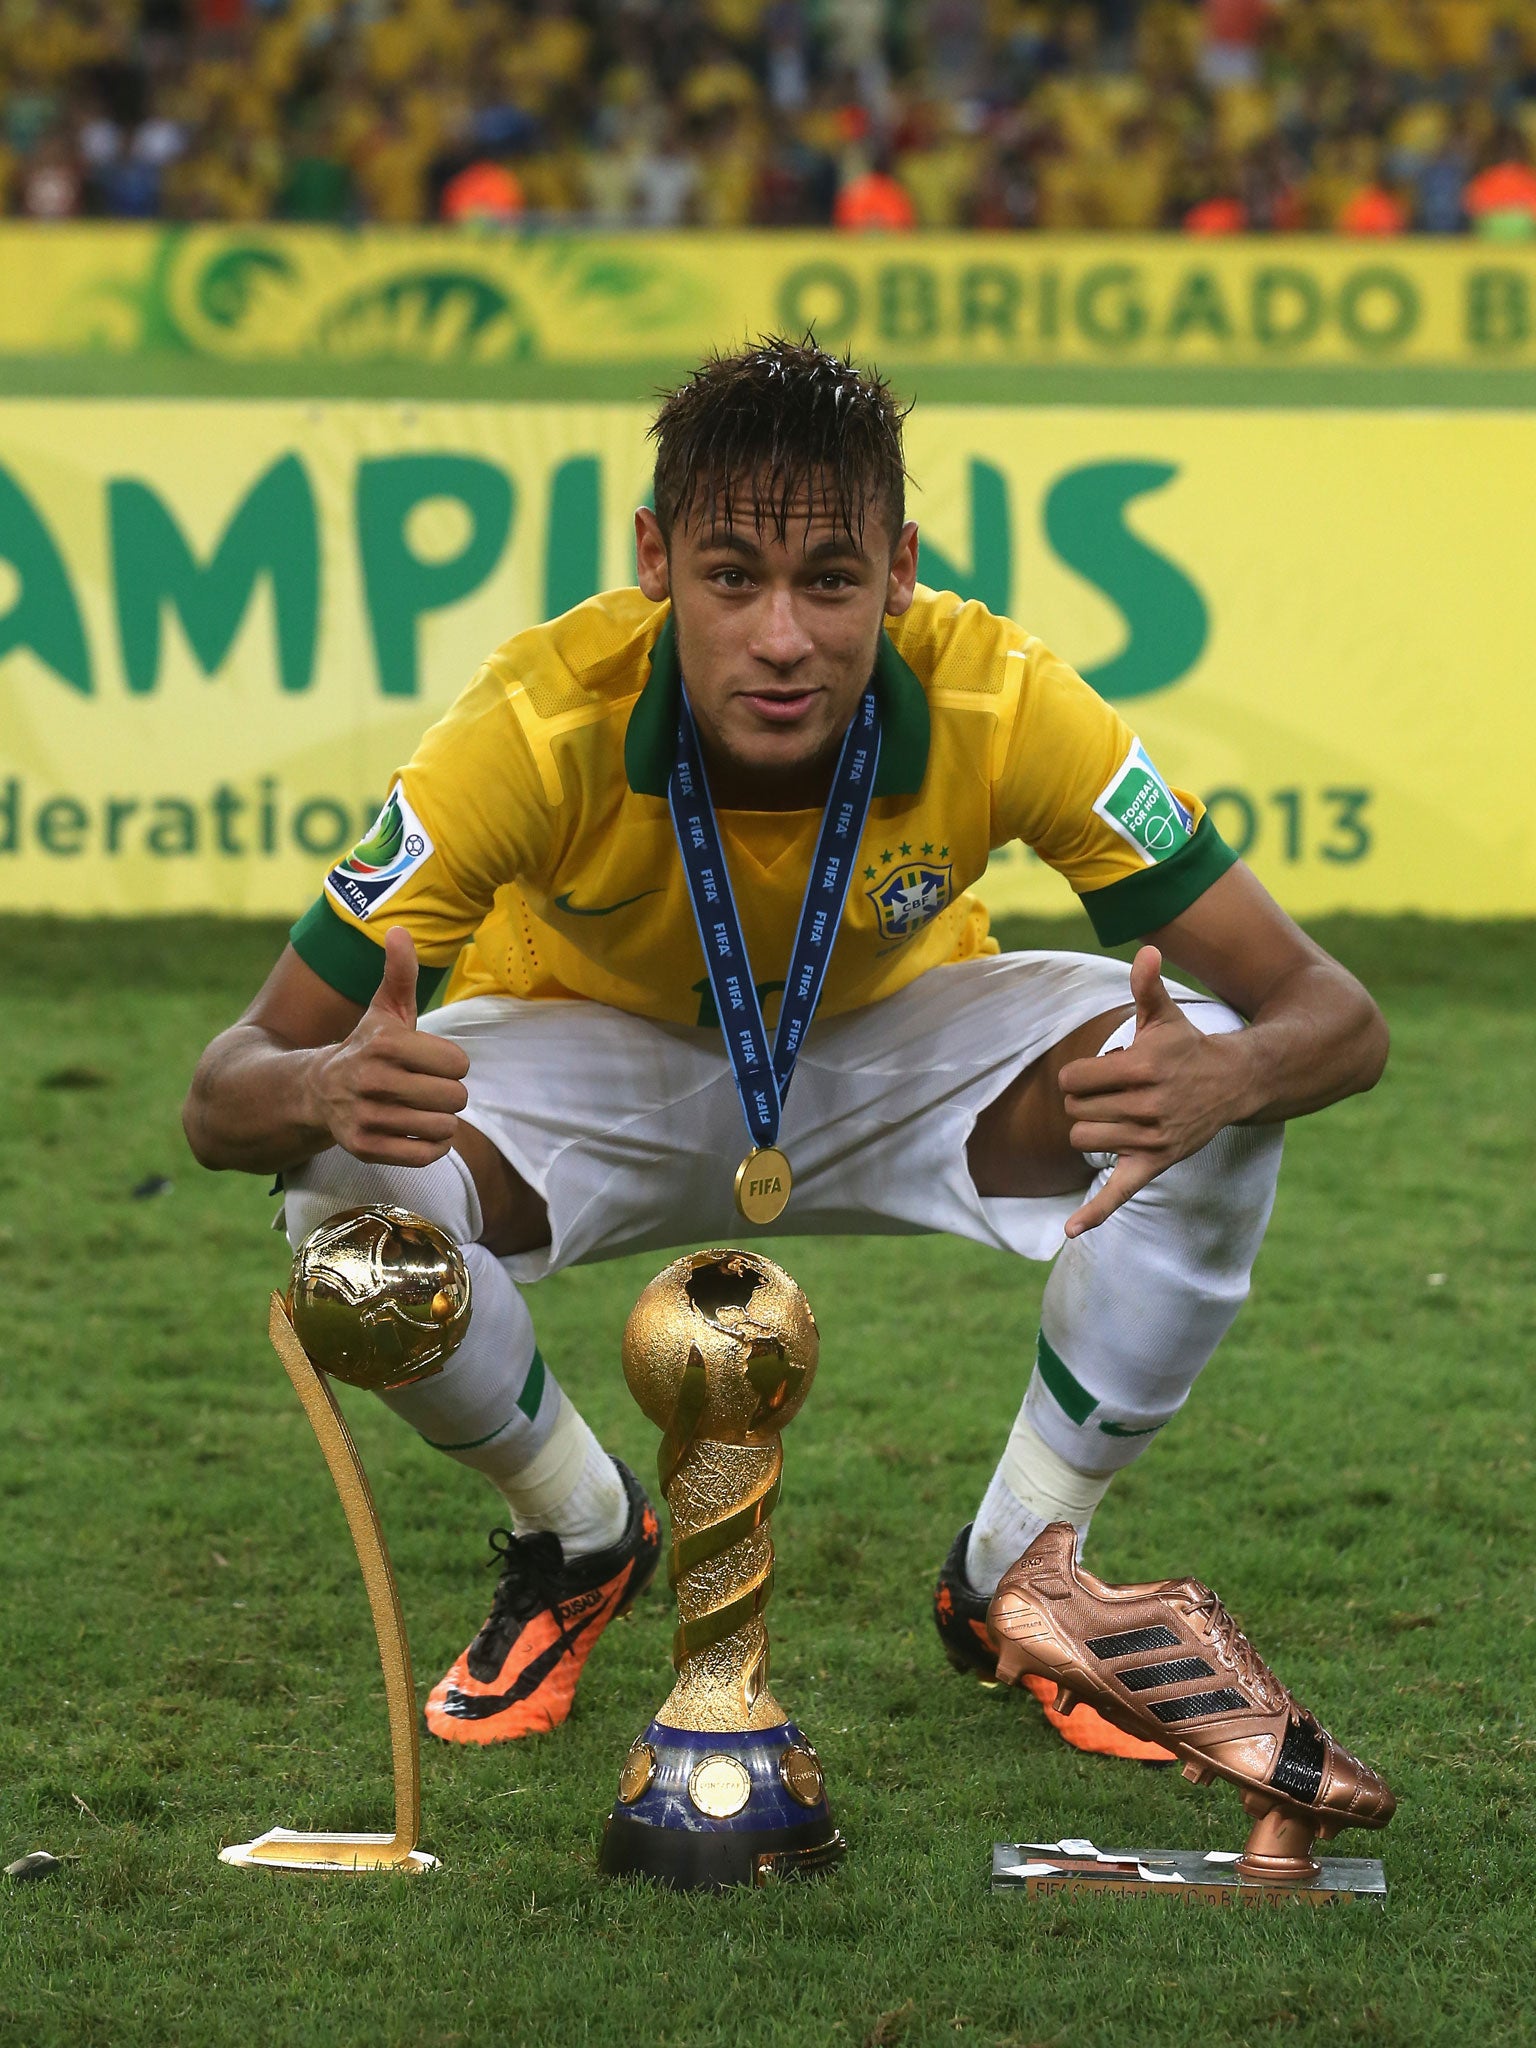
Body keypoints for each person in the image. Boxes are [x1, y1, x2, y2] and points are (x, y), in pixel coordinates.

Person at [183, 337, 1387, 1762]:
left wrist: (1233, 1073)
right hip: (593, 1066)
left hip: (899, 1053)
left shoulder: (1005, 700)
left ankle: (1024, 1575)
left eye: (829, 578)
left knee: (1219, 1068)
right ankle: (577, 1530)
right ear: (655, 559)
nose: (781, 635)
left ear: (899, 571)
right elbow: (225, 1091)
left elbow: (1333, 1017)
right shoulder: (529, 729)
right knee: (332, 1178)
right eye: (732, 574)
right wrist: (323, 1084)